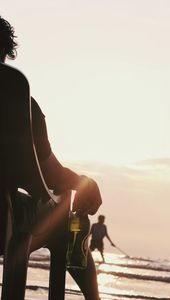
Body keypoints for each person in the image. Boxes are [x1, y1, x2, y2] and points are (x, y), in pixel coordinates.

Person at [0, 16, 101, 300]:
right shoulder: (17, 100)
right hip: (2, 220)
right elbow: (49, 177)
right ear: (5, 52)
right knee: (67, 221)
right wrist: (84, 182)